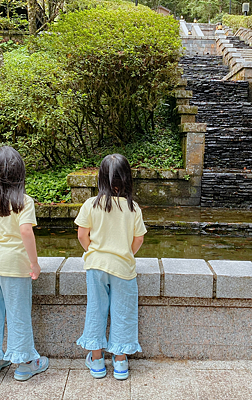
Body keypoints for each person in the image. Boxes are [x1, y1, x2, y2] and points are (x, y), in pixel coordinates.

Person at [0, 146, 48, 381]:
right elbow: (25, 232)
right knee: (18, 313)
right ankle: (24, 364)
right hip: (15, 267)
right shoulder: (24, 201)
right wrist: (34, 263)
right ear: (18, 173)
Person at [74, 154, 147, 380]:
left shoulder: (90, 204)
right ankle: (121, 363)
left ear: (101, 178)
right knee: (123, 313)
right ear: (127, 179)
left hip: (96, 266)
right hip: (123, 268)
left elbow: (82, 235)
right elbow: (139, 239)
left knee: (96, 310)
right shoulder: (133, 207)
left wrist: (92, 252)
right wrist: (126, 254)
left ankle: (97, 362)